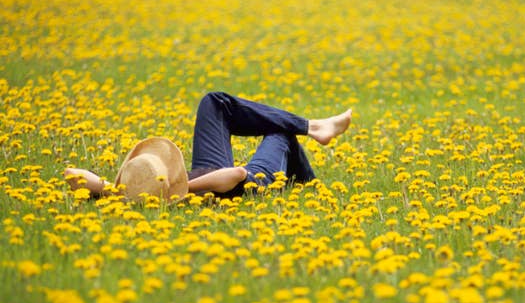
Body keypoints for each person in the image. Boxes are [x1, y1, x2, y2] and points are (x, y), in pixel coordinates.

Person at [64, 92, 352, 200]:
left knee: (215, 102)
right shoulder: (184, 194)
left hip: (203, 169)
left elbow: (72, 174)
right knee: (280, 134)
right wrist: (178, 190)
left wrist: (113, 188)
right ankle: (309, 180)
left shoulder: (125, 195)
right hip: (247, 185)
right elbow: (237, 175)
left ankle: (313, 128)